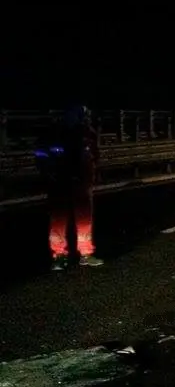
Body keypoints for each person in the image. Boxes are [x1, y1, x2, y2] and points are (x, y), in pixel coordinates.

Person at [36, 104, 103, 270]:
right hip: (60, 182)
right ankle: (59, 256)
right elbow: (41, 154)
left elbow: (95, 155)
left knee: (83, 220)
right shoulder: (54, 133)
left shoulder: (87, 133)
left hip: (81, 183)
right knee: (59, 219)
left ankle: (85, 253)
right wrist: (47, 172)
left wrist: (93, 174)